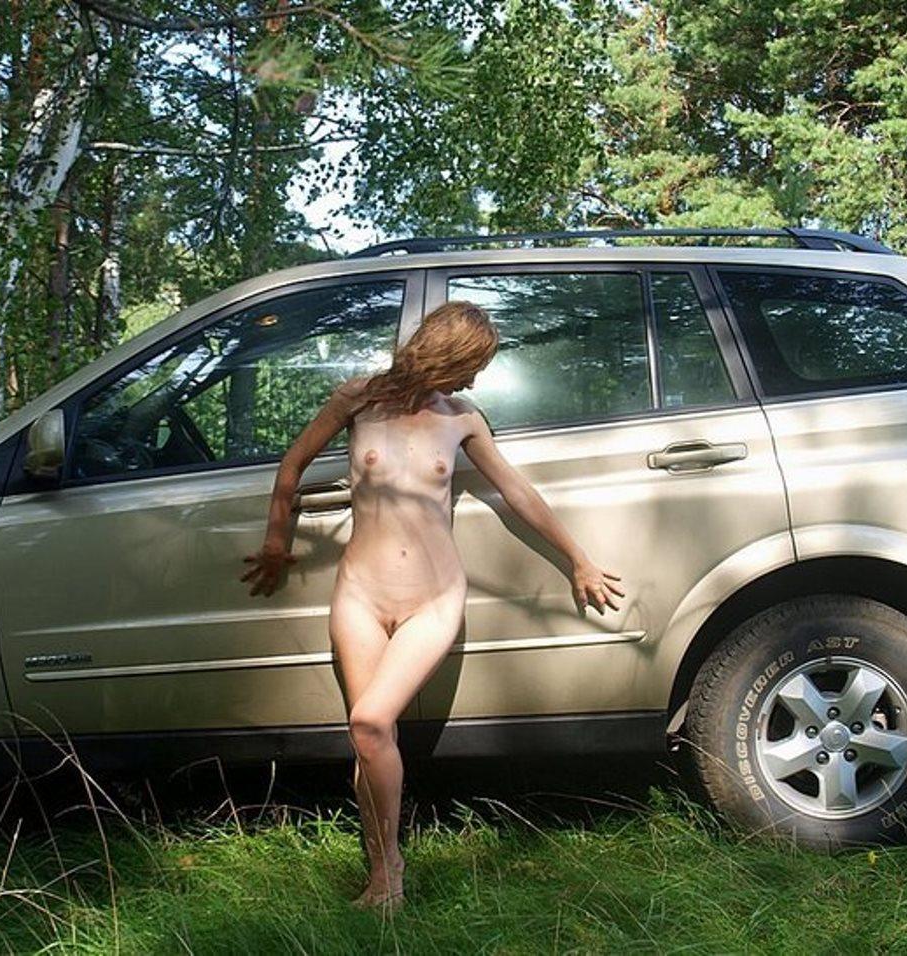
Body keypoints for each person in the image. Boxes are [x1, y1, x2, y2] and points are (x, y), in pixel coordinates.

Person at [240, 300, 624, 913]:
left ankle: (389, 874)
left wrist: (577, 558)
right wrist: (276, 541)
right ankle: (381, 871)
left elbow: (516, 491)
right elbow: (293, 465)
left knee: (370, 723)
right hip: (360, 595)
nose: (472, 381)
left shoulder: (463, 419)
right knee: (369, 736)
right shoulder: (357, 400)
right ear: (445, 354)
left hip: (434, 597)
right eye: (470, 366)